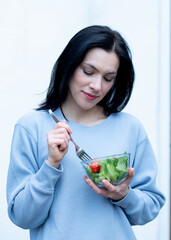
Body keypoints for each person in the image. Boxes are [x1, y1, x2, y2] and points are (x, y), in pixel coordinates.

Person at [7, 25, 165, 240]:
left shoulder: (130, 128)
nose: (96, 86)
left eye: (108, 78)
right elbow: (22, 217)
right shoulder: (31, 127)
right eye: (88, 72)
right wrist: (50, 165)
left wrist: (124, 195)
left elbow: (150, 208)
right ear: (69, 66)